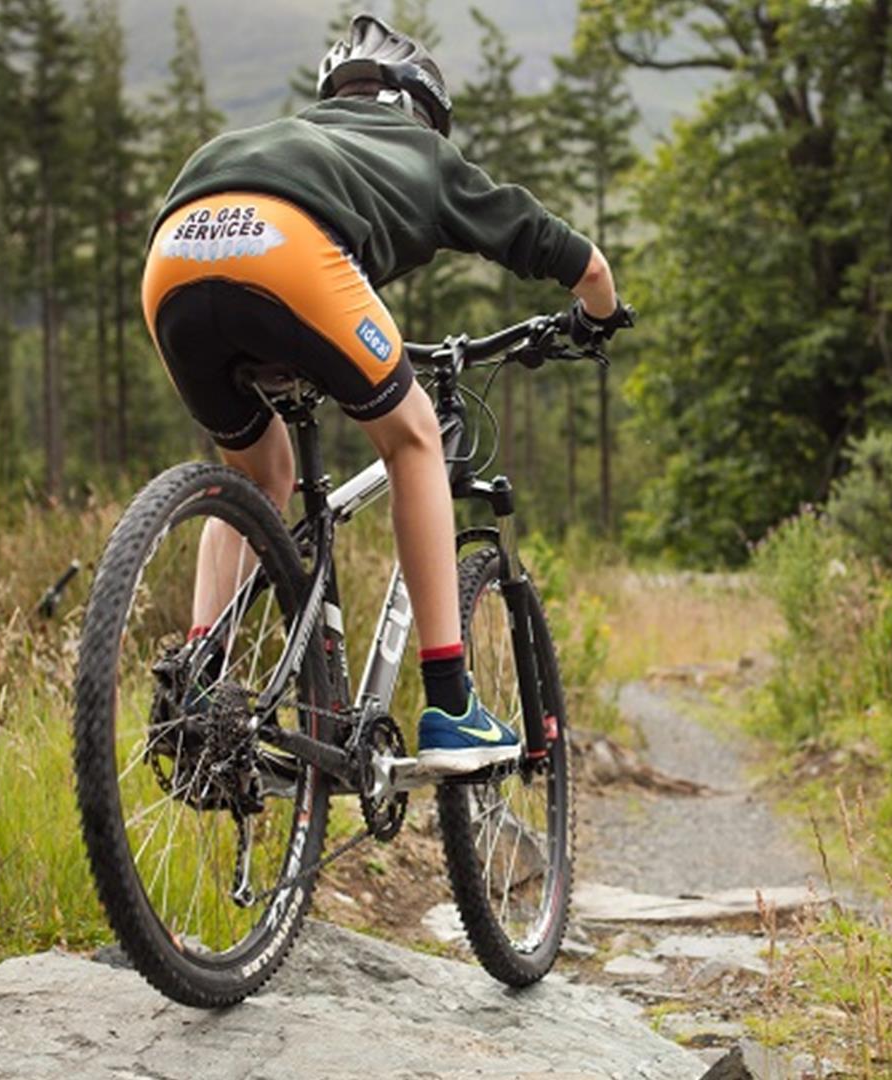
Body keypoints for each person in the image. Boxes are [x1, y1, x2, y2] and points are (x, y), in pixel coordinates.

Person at [140, 14, 628, 775]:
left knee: (257, 478)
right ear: (419, 109)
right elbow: (579, 262)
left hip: (173, 257)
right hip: (290, 250)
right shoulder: (424, 154)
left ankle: (198, 685)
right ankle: (451, 703)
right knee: (414, 436)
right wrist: (599, 318)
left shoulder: (294, 135)